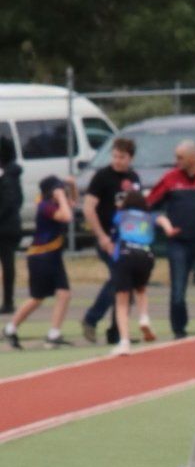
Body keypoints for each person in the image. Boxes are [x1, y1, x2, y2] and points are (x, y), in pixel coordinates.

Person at [79, 135, 140, 343]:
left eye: (122, 157)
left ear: (130, 158)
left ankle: (116, 331)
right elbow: (88, 208)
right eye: (115, 156)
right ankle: (91, 318)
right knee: (118, 280)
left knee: (126, 284)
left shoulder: (133, 178)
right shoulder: (102, 177)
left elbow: (137, 209)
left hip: (128, 239)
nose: (117, 161)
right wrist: (103, 237)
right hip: (108, 238)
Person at [149, 137, 195, 341]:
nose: (177, 161)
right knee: (177, 290)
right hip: (179, 242)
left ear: (194, 157)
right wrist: (163, 222)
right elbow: (150, 204)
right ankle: (179, 329)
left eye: (181, 157)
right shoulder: (170, 178)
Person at [5, 175, 72, 348]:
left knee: (64, 293)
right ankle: (11, 327)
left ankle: (54, 333)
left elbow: (71, 206)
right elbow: (66, 216)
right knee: (37, 297)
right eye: (58, 189)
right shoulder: (45, 206)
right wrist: (62, 196)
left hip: (53, 256)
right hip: (41, 256)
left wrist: (71, 188)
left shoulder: (55, 203)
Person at [107, 182, 159, 350]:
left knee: (122, 300)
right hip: (146, 255)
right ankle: (144, 317)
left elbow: (114, 236)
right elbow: (160, 221)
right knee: (141, 289)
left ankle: (124, 341)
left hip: (125, 255)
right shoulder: (149, 217)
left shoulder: (120, 215)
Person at [0, 141, 21, 328]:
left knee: (7, 265)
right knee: (7, 265)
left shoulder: (7, 176)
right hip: (10, 225)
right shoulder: (12, 175)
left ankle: (8, 301)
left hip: (6, 228)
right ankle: (7, 300)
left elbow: (11, 201)